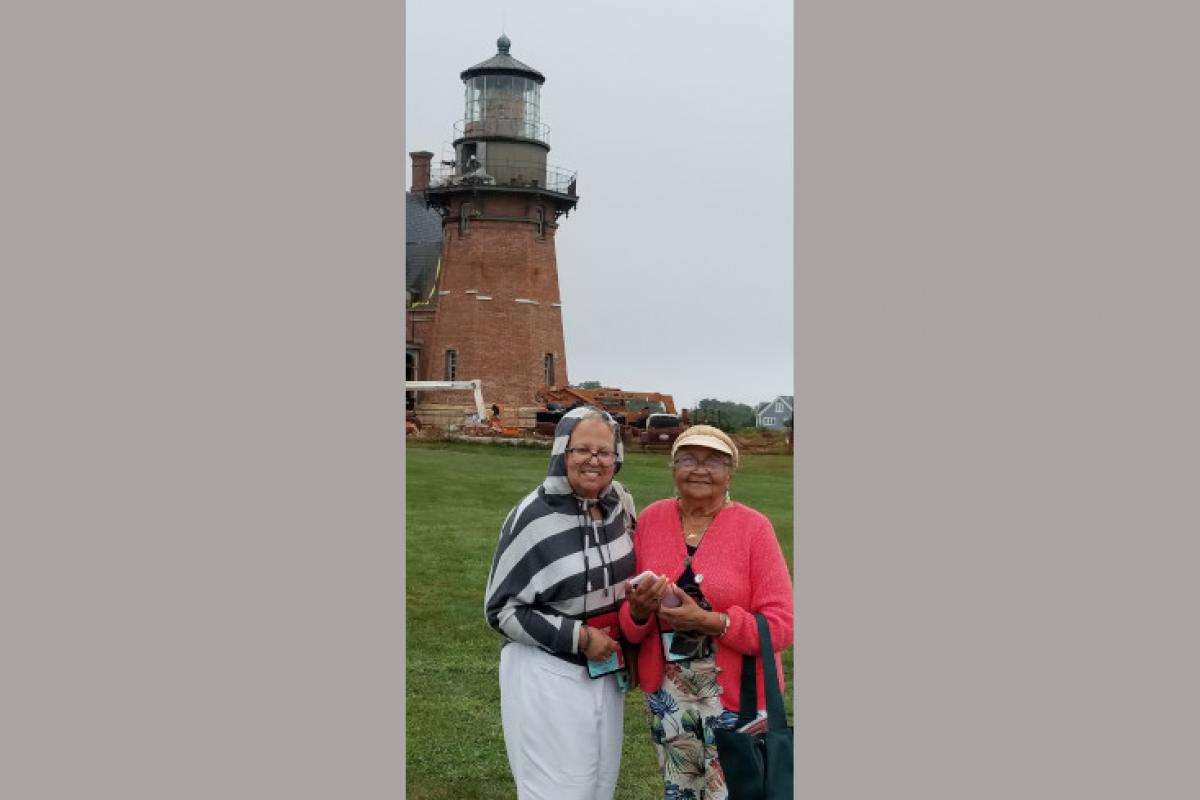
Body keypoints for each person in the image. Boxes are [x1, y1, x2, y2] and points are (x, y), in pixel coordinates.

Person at [619, 425, 793, 800]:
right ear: (673, 468)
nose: (700, 469)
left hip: (738, 697)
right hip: (670, 695)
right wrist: (636, 612)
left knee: (737, 792)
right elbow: (631, 624)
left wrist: (712, 622)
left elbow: (782, 625)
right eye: (688, 459)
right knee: (680, 791)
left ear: (731, 471)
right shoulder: (650, 520)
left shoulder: (754, 528)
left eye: (714, 460)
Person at [484, 406, 638, 800]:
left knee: (599, 786)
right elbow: (501, 609)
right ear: (561, 452)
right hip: (547, 672)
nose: (594, 460)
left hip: (605, 670)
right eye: (581, 449)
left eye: (604, 451)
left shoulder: (619, 505)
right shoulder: (532, 516)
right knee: (558, 790)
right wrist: (580, 637)